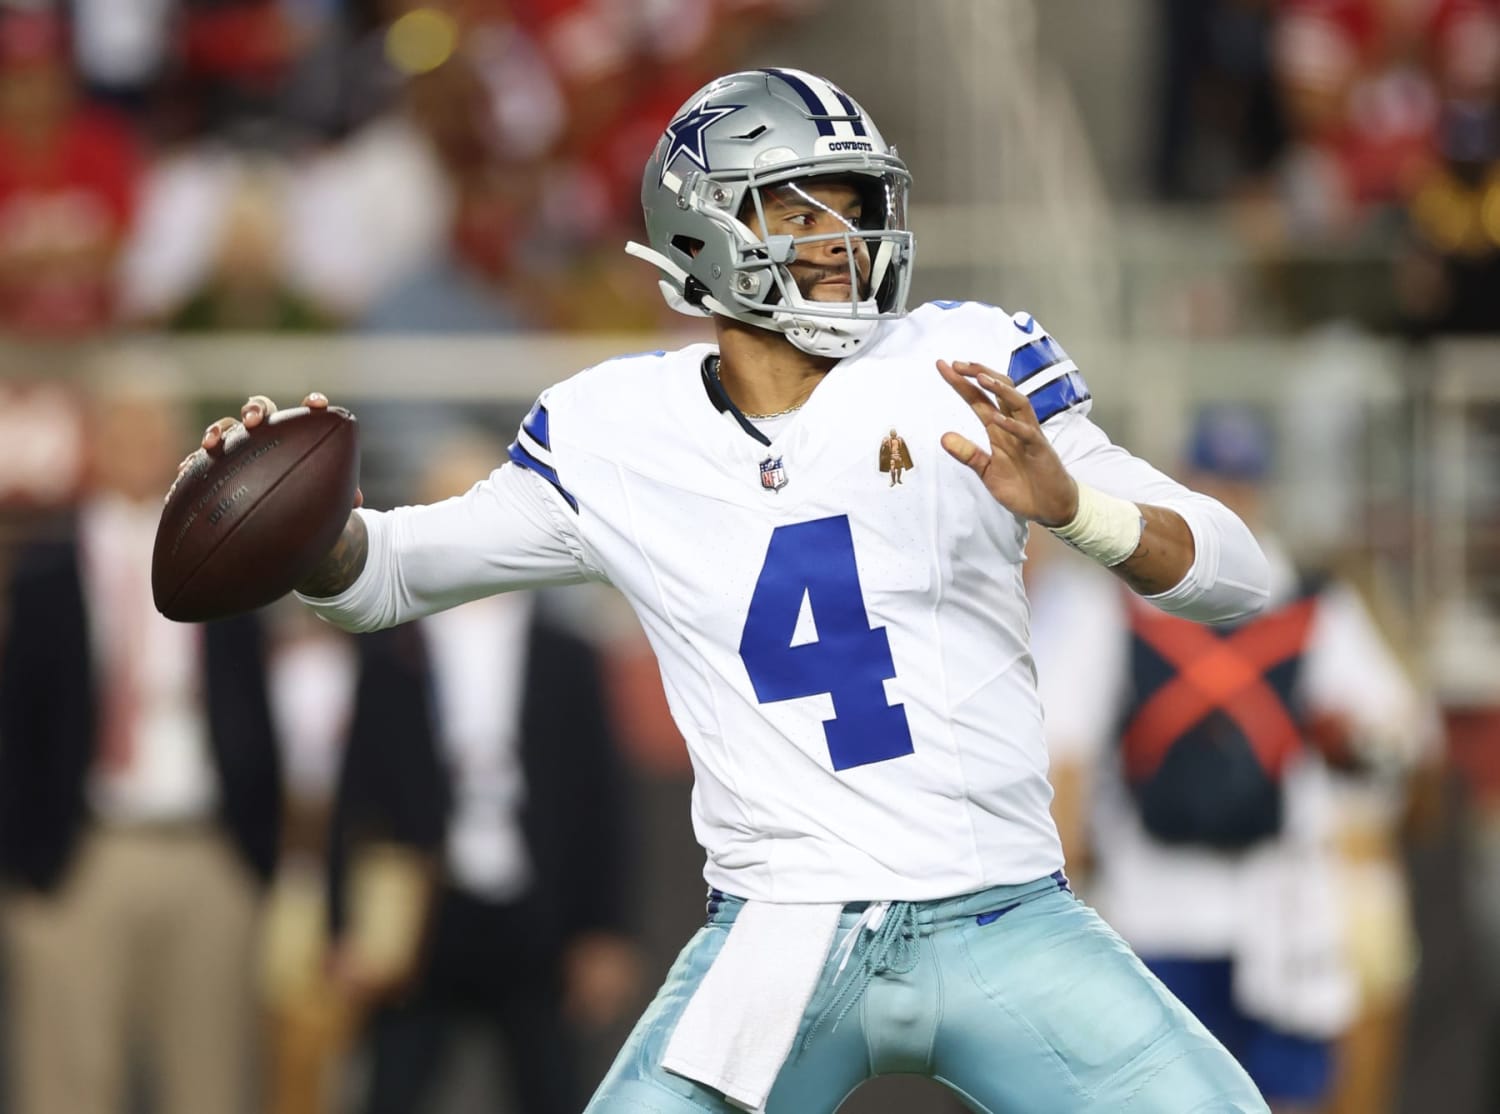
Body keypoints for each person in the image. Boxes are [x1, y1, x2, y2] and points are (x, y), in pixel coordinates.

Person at [197, 69, 1274, 1112]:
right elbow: (383, 574)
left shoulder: (963, 362)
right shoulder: (614, 427)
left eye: (856, 209)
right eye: (804, 214)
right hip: (780, 932)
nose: (844, 244)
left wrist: (1076, 506)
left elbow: (1235, 571)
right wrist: (296, 529)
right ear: (706, 233)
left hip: (1001, 906)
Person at [1031, 406, 1433, 1114]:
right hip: (1154, 905)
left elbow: (1395, 737)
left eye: (1237, 485)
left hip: (1276, 907)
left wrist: (1351, 763)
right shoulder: (1116, 604)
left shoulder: (1310, 605)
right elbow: (1066, 755)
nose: (1228, 502)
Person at [326, 431, 641, 1114]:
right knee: (393, 1088)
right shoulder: (391, 650)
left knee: (552, 1090)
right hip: (420, 914)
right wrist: (343, 927)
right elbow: (356, 789)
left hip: (536, 913)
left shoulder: (566, 654)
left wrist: (604, 930)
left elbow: (600, 798)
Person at [1, 369, 281, 1114]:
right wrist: (27, 865)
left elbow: (256, 709)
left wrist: (256, 856)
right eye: (122, 429)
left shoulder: (224, 554)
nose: (137, 448)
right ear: (98, 442)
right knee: (67, 1081)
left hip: (205, 849)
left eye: (153, 431)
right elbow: (17, 720)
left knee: (210, 1082)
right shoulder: (48, 569)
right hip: (83, 853)